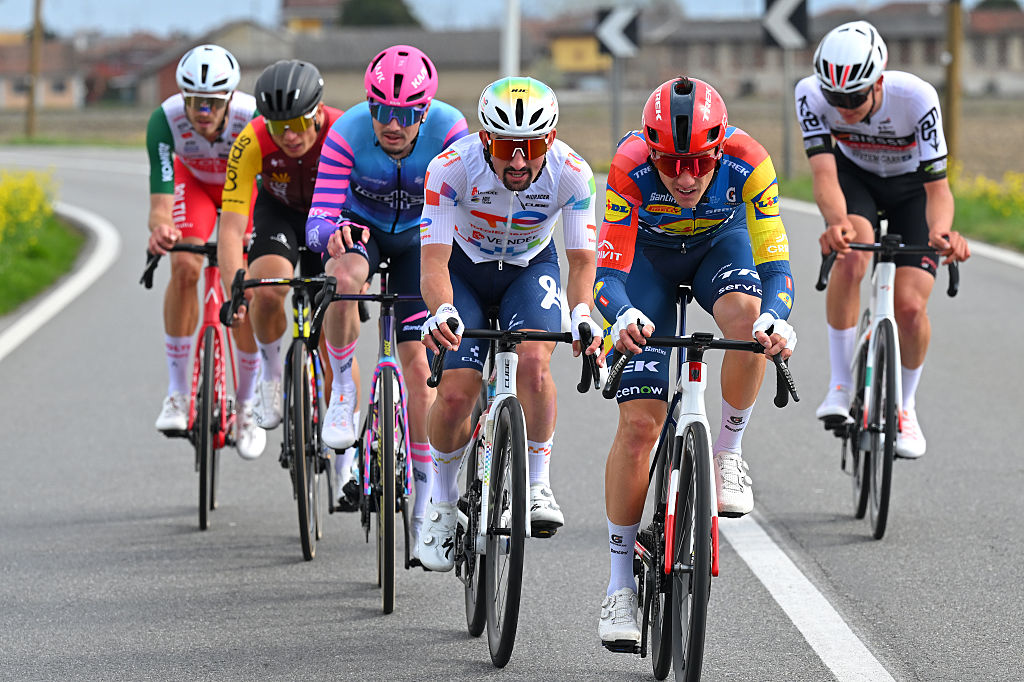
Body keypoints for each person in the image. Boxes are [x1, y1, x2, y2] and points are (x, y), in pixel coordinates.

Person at [593, 76, 797, 645]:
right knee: (639, 425)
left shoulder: (748, 161)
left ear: (719, 148)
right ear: (652, 152)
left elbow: (778, 268)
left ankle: (727, 452)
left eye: (699, 163)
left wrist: (775, 318)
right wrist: (622, 316)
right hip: (649, 265)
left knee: (747, 319)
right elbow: (607, 277)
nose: (684, 178)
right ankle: (618, 589)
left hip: (717, 252)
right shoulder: (629, 166)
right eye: (671, 164)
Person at [416, 76, 603, 572]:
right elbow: (433, 262)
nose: (518, 162)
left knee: (536, 365)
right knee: (455, 389)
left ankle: (537, 481)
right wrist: (442, 310)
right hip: (464, 270)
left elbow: (583, 263)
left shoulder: (572, 173)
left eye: (532, 147)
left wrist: (582, 313)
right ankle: (438, 501)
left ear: (551, 140)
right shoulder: (449, 168)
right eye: (505, 147)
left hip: (529, 269)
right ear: (484, 140)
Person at [304, 45, 469, 529]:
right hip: (364, 230)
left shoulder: (450, 130)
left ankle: (423, 499)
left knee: (418, 369)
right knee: (343, 276)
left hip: (423, 239)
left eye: (404, 114)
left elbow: (466, 208)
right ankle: (342, 396)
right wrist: (330, 235)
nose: (391, 124)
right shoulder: (347, 132)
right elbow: (318, 218)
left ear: (424, 111)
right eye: (381, 111)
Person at [795, 21, 970, 457]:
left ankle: (905, 409)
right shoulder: (810, 94)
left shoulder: (917, 98)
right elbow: (823, 173)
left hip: (914, 188)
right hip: (857, 181)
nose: (844, 108)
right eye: (836, 99)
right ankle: (839, 384)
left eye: (854, 97)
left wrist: (941, 233)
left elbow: (938, 190)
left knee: (911, 308)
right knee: (852, 255)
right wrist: (836, 223)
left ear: (878, 82)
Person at [146, 44, 265, 460]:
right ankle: (178, 394)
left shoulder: (252, 118)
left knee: (245, 285)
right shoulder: (165, 120)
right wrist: (162, 227)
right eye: (194, 100)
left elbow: (269, 193)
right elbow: (161, 202)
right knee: (184, 266)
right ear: (183, 96)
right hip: (192, 184)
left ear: (229, 98)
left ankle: (248, 406)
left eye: (212, 102)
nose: (201, 111)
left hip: (242, 190)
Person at [217, 60, 344, 432]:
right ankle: (271, 376)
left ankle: (342, 451)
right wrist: (235, 293)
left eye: (299, 124)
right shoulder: (251, 140)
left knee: (333, 323)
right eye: (279, 126)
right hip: (280, 214)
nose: (289, 136)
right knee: (267, 291)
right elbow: (230, 228)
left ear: (318, 112)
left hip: (332, 216)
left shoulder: (342, 130)